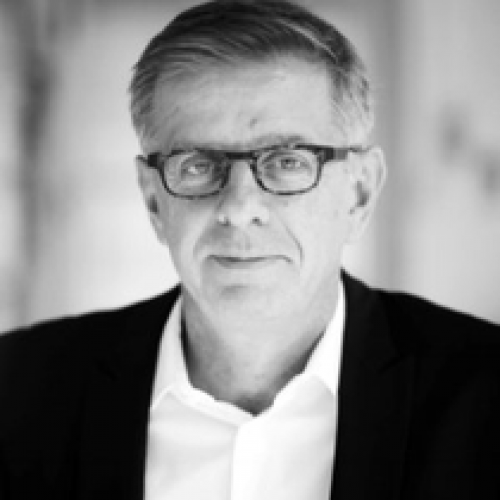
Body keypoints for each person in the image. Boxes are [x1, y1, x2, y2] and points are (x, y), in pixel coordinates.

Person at [1, 0, 500, 498]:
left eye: (287, 161)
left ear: (360, 193)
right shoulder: (16, 392)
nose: (239, 207)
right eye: (197, 165)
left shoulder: (486, 396)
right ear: (154, 200)